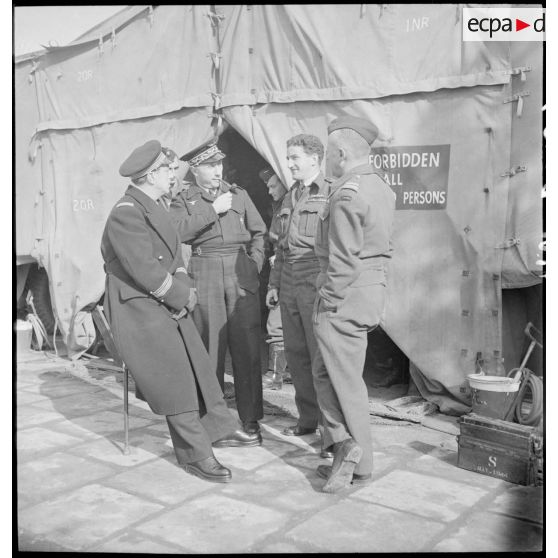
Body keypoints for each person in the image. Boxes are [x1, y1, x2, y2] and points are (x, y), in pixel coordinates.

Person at [101, 140, 261, 484]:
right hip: (140, 309)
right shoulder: (126, 212)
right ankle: (196, 455)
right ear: (151, 175)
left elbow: (174, 257)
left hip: (164, 299)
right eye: (168, 170)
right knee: (175, 377)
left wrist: (184, 285)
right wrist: (179, 295)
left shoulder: (152, 206)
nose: (173, 175)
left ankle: (218, 428)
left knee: (199, 364)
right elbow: (144, 269)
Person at [312, 116, 395, 493]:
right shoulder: (379, 186)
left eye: (329, 152)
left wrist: (327, 300)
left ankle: (353, 453)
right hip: (370, 287)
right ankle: (347, 452)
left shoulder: (347, 192)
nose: (327, 159)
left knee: (340, 379)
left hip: (344, 292)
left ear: (341, 153)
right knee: (333, 373)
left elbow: (343, 259)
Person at [170, 138, 267, 440]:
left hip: (240, 274)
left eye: (219, 164)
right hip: (206, 271)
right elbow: (177, 233)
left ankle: (251, 419)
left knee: (248, 348)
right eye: (210, 166)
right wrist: (212, 211)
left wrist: (254, 264)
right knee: (210, 349)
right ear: (195, 170)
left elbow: (259, 232)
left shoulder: (238, 194)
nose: (217, 171)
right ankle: (214, 421)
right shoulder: (184, 199)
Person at [266, 134, 332, 452]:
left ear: (314, 159)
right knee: (296, 354)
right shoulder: (291, 195)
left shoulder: (330, 193)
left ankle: (330, 429)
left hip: (314, 280)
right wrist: (274, 285)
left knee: (321, 357)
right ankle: (307, 420)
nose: (289, 163)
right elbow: (280, 246)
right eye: (288, 157)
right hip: (289, 280)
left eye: (294, 158)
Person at [258, 168, 289, 389]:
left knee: (276, 322)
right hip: (280, 266)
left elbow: (286, 239)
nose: (269, 191)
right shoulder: (279, 205)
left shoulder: (290, 204)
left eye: (272, 185)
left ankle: (276, 375)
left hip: (290, 268)